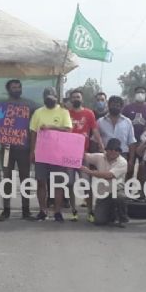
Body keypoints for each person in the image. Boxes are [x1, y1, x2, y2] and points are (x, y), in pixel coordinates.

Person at [29, 87, 72, 222]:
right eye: (47, 97)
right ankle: (43, 211)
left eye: (52, 97)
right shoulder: (38, 112)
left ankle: (57, 212)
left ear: (56, 98)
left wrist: (51, 127)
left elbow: (68, 130)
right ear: (44, 98)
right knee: (41, 182)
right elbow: (33, 133)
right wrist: (32, 151)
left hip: (58, 154)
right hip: (41, 154)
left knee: (58, 183)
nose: (49, 99)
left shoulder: (63, 112)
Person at [0, 79, 37, 221]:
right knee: (6, 179)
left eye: (18, 87)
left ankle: (26, 211)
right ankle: (6, 210)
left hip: (24, 148)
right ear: (8, 89)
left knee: (25, 179)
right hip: (7, 149)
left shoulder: (29, 104)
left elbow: (40, 117)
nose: (16, 89)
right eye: (14, 87)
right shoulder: (2, 106)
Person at [67, 89, 103, 222]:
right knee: (69, 183)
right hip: (67, 155)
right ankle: (73, 210)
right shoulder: (66, 113)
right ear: (70, 100)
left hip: (83, 154)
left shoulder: (89, 113)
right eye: (74, 97)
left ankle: (90, 211)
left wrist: (101, 145)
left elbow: (94, 131)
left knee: (86, 183)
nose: (76, 99)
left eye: (78, 97)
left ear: (82, 99)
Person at [81, 138, 129, 228]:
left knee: (120, 197)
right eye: (111, 149)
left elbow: (109, 175)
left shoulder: (123, 162)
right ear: (106, 150)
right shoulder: (99, 157)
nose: (113, 151)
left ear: (119, 152)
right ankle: (111, 213)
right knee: (99, 221)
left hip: (116, 190)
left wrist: (90, 172)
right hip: (103, 194)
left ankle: (122, 218)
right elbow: (83, 156)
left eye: (116, 150)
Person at [122, 86, 146, 183]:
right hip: (130, 143)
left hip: (145, 144)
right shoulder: (127, 108)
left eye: (142, 92)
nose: (140, 94)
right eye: (138, 92)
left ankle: (141, 192)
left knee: (143, 169)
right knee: (129, 167)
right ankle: (126, 190)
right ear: (135, 94)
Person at [97, 95, 137, 163]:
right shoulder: (100, 121)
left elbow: (131, 142)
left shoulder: (127, 122)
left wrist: (131, 160)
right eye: (113, 105)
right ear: (108, 106)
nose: (115, 107)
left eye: (117, 105)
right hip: (104, 156)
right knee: (104, 174)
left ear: (121, 107)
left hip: (122, 155)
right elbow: (95, 140)